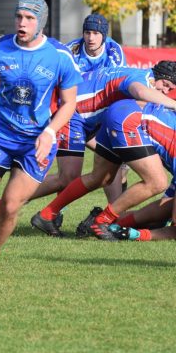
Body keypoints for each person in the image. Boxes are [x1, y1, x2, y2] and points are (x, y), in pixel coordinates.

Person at [0, 0, 82, 275]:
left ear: (41, 22)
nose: (22, 23)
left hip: (37, 143)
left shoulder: (60, 56)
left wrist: (50, 132)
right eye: (19, 17)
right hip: (2, 137)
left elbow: (69, 103)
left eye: (29, 18)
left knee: (11, 206)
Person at [30, 60, 176, 237]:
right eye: (165, 85)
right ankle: (11, 202)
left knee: (101, 177)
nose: (165, 91)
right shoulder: (142, 79)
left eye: (170, 89)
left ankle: (47, 214)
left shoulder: (137, 74)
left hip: (100, 118)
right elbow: (140, 91)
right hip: (73, 114)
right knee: (156, 182)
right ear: (156, 76)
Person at [29, 14, 127, 221]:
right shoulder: (71, 52)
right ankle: (15, 199)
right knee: (69, 176)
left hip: (97, 116)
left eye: (96, 33)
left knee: (113, 164)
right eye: (87, 32)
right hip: (72, 115)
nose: (90, 38)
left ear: (104, 36)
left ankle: (115, 218)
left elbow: (116, 85)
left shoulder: (113, 51)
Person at [109, 99, 176, 241]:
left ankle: (114, 223)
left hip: (124, 115)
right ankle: (108, 221)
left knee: (163, 214)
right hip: (131, 121)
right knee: (158, 187)